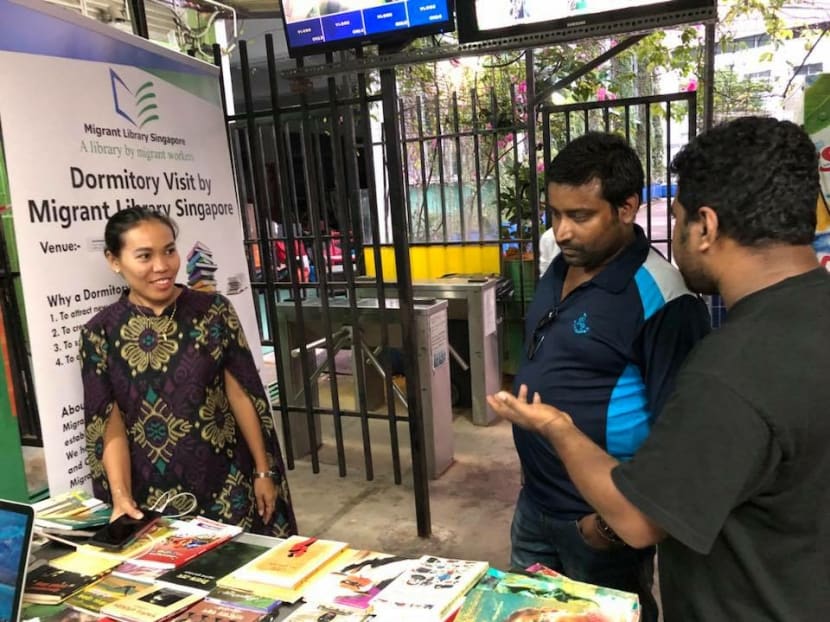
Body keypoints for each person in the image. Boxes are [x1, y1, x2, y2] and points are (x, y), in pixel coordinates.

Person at [489, 116, 830, 620]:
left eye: (676, 216)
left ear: (706, 226)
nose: (562, 231)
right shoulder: (808, 319)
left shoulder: (730, 367)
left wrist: (558, 430)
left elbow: (640, 518)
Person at [509, 132, 711, 621]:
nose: (561, 231)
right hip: (534, 506)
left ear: (626, 208)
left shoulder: (666, 299)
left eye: (580, 216)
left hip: (597, 528)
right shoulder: (558, 263)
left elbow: (677, 447)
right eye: (554, 214)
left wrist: (606, 529)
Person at [80, 207, 296, 537]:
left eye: (169, 250)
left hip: (227, 485)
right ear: (114, 260)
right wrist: (121, 498)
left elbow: (241, 395)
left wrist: (263, 472)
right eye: (144, 256)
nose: (162, 266)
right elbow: (109, 425)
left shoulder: (213, 312)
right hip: (152, 495)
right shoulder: (100, 333)